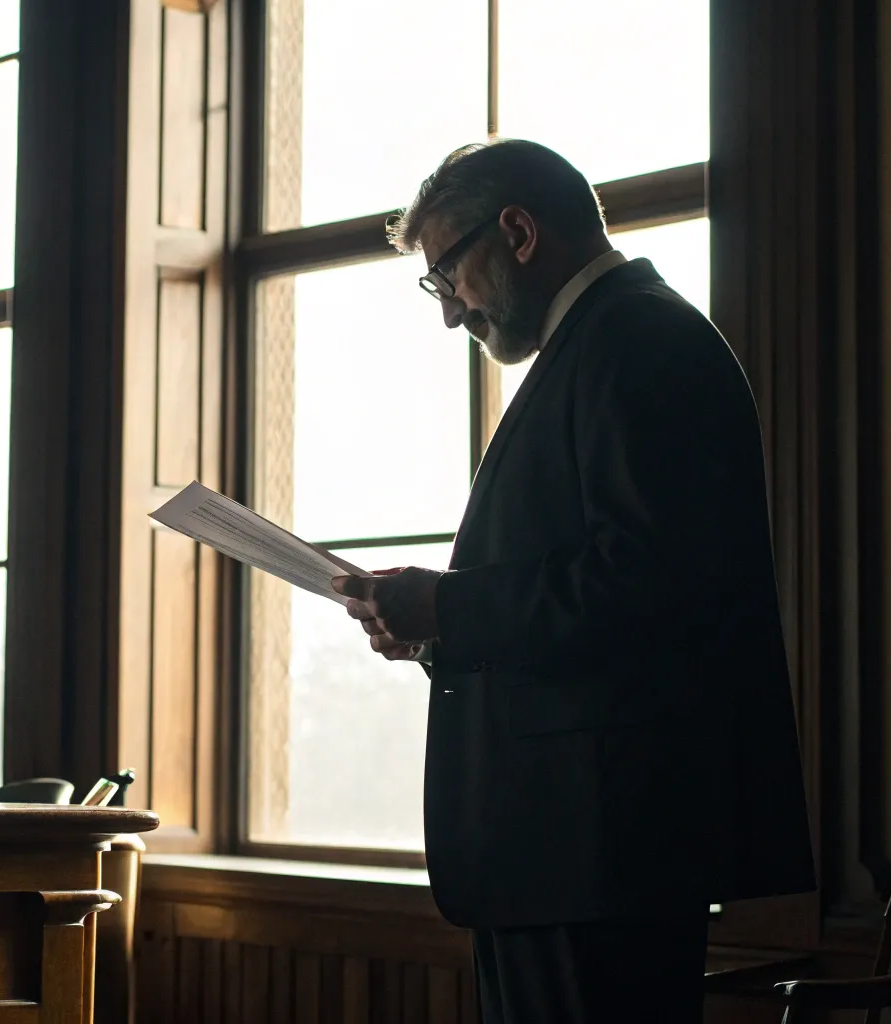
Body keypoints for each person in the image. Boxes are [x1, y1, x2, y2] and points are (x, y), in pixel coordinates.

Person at [331, 140, 814, 1023]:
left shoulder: (641, 341)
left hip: (600, 850)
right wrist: (441, 625)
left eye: (447, 275)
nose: (450, 314)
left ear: (517, 231)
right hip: (571, 853)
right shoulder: (609, 343)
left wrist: (448, 603)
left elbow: (652, 580)